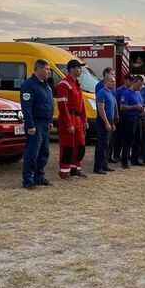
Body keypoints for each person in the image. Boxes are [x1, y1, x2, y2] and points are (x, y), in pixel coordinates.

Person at [20, 59, 54, 190]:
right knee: (32, 153)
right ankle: (28, 180)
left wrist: (50, 121)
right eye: (47, 69)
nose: (48, 72)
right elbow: (27, 107)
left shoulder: (46, 85)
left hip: (45, 123)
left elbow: (49, 104)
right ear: (38, 69)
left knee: (44, 153)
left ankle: (39, 177)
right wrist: (30, 125)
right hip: (36, 123)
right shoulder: (29, 85)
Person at [56, 59, 89, 178]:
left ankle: (76, 168)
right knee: (67, 145)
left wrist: (84, 120)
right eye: (78, 68)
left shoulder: (77, 84)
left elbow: (81, 104)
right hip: (68, 117)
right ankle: (64, 171)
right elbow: (62, 106)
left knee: (80, 145)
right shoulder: (63, 84)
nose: (80, 70)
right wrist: (68, 123)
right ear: (71, 69)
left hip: (78, 118)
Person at [119, 76, 145, 168]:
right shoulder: (126, 93)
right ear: (133, 83)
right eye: (138, 85)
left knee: (138, 140)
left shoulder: (138, 93)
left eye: (141, 85)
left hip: (138, 118)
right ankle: (124, 161)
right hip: (129, 118)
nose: (140, 87)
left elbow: (141, 103)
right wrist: (135, 107)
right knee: (128, 140)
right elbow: (122, 107)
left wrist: (142, 108)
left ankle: (135, 159)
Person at [94, 76, 116, 174]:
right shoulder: (102, 93)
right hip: (103, 121)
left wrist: (112, 123)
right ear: (106, 81)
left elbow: (112, 108)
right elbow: (101, 109)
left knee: (108, 144)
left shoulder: (110, 93)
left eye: (114, 81)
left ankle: (105, 164)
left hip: (110, 120)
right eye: (111, 81)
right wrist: (106, 122)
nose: (113, 83)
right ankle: (98, 167)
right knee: (102, 144)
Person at [112, 74, 133, 162]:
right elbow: (115, 104)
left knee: (127, 137)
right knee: (119, 138)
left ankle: (126, 154)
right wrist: (117, 117)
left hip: (129, 117)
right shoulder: (119, 91)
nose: (131, 82)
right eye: (130, 80)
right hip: (121, 116)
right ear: (125, 80)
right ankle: (116, 155)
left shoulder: (131, 90)